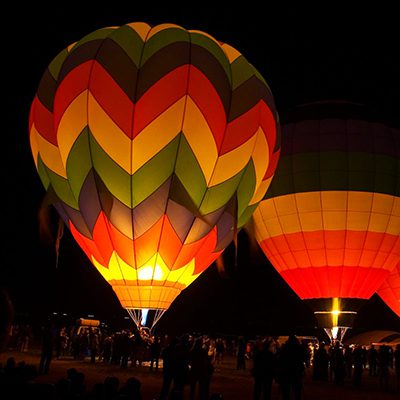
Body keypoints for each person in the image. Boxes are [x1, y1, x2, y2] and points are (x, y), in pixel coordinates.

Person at [276, 335, 307, 400]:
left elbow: (280, 359)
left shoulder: (285, 348)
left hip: (286, 371)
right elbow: (304, 358)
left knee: (286, 391)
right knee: (297, 391)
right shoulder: (299, 348)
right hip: (297, 371)